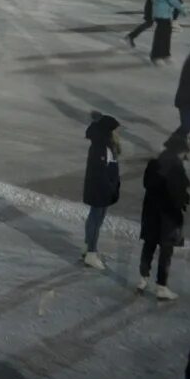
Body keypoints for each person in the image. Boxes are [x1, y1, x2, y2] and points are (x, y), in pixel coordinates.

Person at [138, 134, 190, 301]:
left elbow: (146, 184)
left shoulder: (154, 164)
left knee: (149, 245)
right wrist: (185, 200)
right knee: (166, 251)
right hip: (168, 216)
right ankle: (161, 286)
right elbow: (178, 194)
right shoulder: (176, 167)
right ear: (179, 151)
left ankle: (142, 279)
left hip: (151, 212)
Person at [81, 113, 122, 269]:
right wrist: (110, 187)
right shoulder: (100, 147)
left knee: (97, 218)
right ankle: (91, 252)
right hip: (99, 189)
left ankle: (87, 247)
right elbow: (100, 172)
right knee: (95, 219)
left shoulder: (106, 145)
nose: (118, 133)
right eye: (116, 130)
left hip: (103, 189)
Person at [150, 0, 182, 64]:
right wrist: (183, 9)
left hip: (161, 14)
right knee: (162, 36)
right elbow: (173, 1)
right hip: (163, 14)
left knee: (165, 35)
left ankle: (164, 54)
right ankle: (157, 56)